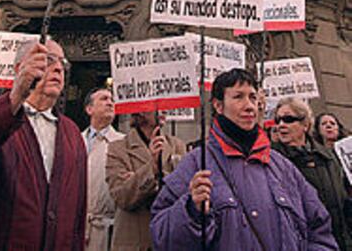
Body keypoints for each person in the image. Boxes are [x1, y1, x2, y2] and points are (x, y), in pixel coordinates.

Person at [150, 69, 338, 250]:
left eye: (253, 97)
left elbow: (320, 229)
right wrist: (191, 211)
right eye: (238, 97)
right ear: (218, 105)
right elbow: (162, 236)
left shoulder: (282, 166)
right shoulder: (196, 164)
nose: (249, 106)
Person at [0, 38, 87, 251]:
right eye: (48, 60)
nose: (58, 68)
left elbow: (77, 216)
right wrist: (15, 97)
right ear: (20, 68)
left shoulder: (72, 133)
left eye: (62, 63)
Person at [274, 97, 352, 251]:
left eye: (288, 119)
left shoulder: (329, 157)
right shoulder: (274, 160)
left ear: (305, 124)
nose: (281, 125)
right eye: (278, 120)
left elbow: (342, 202)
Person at [106, 111, 186, 251]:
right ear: (140, 111)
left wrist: (138, 178)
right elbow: (123, 196)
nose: (164, 110)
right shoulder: (118, 148)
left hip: (168, 239)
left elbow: (184, 188)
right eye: (157, 106)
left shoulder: (177, 145)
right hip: (134, 242)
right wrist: (152, 167)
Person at [82, 87, 124, 251]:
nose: (110, 103)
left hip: (108, 229)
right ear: (89, 109)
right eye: (104, 99)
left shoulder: (123, 143)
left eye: (112, 100)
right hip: (78, 226)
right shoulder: (76, 140)